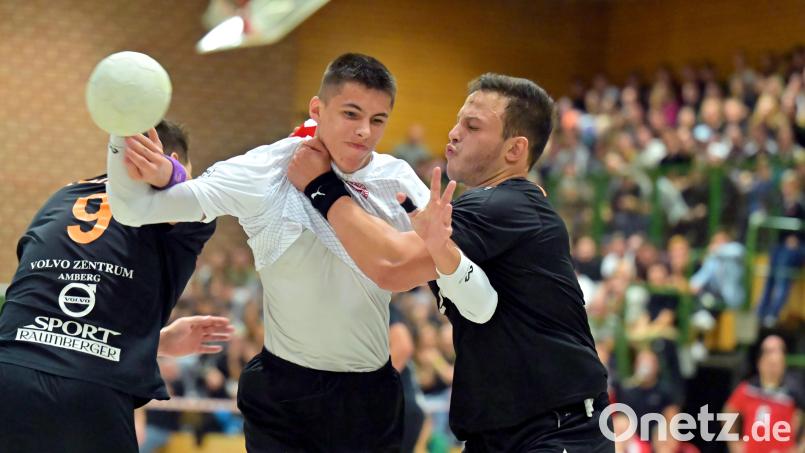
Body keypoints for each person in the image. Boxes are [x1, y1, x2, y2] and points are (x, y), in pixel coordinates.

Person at [108, 53, 498, 452]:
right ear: (318, 108)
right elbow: (137, 208)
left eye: (378, 120)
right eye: (351, 114)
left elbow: (454, 280)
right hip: (282, 394)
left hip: (368, 396)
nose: (364, 131)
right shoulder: (263, 170)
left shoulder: (396, 180)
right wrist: (121, 129)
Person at [288, 73, 613, 451]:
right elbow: (477, 304)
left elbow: (392, 265)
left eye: (472, 126)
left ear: (514, 150)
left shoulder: (503, 205)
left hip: (555, 431)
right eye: (458, 121)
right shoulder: (488, 211)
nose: (454, 133)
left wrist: (321, 186)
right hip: (501, 434)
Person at [0, 120, 231, 453]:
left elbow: (42, 296)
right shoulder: (173, 202)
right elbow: (200, 205)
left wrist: (159, 341)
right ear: (175, 159)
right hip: (92, 390)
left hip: (10, 372)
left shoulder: (62, 197)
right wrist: (172, 176)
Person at [723, 335, 805, 453]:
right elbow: (729, 411)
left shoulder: (793, 392)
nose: (772, 368)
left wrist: (800, 448)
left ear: (783, 365)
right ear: (760, 363)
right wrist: (733, 443)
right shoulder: (748, 389)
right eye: (769, 363)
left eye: (776, 364)